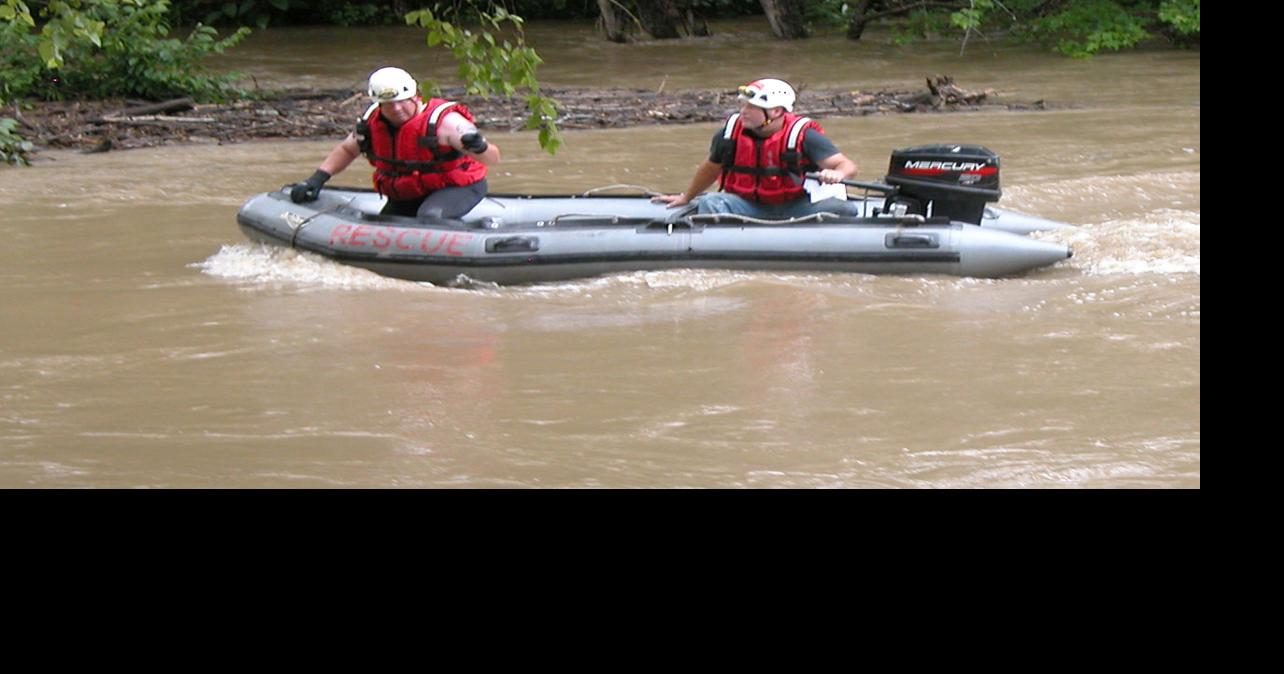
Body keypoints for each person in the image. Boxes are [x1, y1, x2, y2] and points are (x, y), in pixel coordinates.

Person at [288, 66, 501, 220]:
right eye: (389, 105)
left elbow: (493, 158)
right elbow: (346, 150)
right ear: (379, 104)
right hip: (409, 192)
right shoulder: (371, 123)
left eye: (401, 102)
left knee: (431, 216)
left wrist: (478, 146)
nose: (397, 109)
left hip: (458, 187)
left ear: (414, 97)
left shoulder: (447, 123)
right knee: (383, 225)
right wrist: (316, 179)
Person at [653, 78, 858, 219]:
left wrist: (837, 173)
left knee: (844, 209)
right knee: (712, 202)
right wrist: (687, 197)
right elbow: (711, 168)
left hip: (796, 205)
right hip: (747, 205)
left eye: (751, 107)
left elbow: (846, 165)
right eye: (743, 106)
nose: (743, 112)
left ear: (776, 111)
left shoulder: (804, 136)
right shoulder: (728, 135)